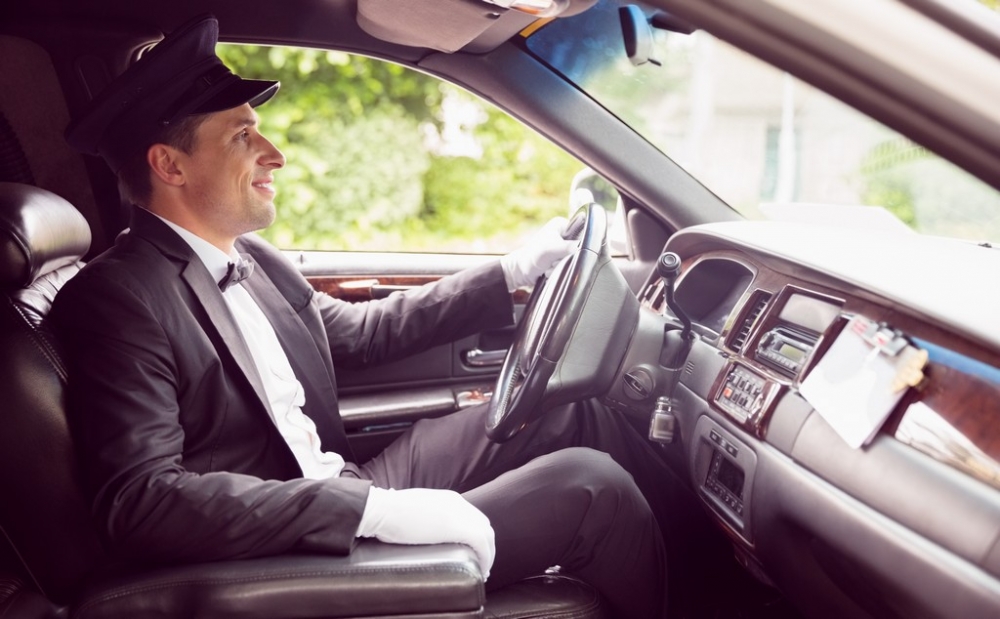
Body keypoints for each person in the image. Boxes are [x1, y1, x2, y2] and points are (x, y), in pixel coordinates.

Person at [52, 14, 669, 617]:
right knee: (594, 487)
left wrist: (509, 275)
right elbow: (142, 501)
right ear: (170, 166)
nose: (275, 155)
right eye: (242, 136)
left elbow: (360, 333)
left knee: (568, 410)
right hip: (287, 548)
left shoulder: (248, 258)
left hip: (341, 481)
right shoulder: (119, 297)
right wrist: (370, 513)